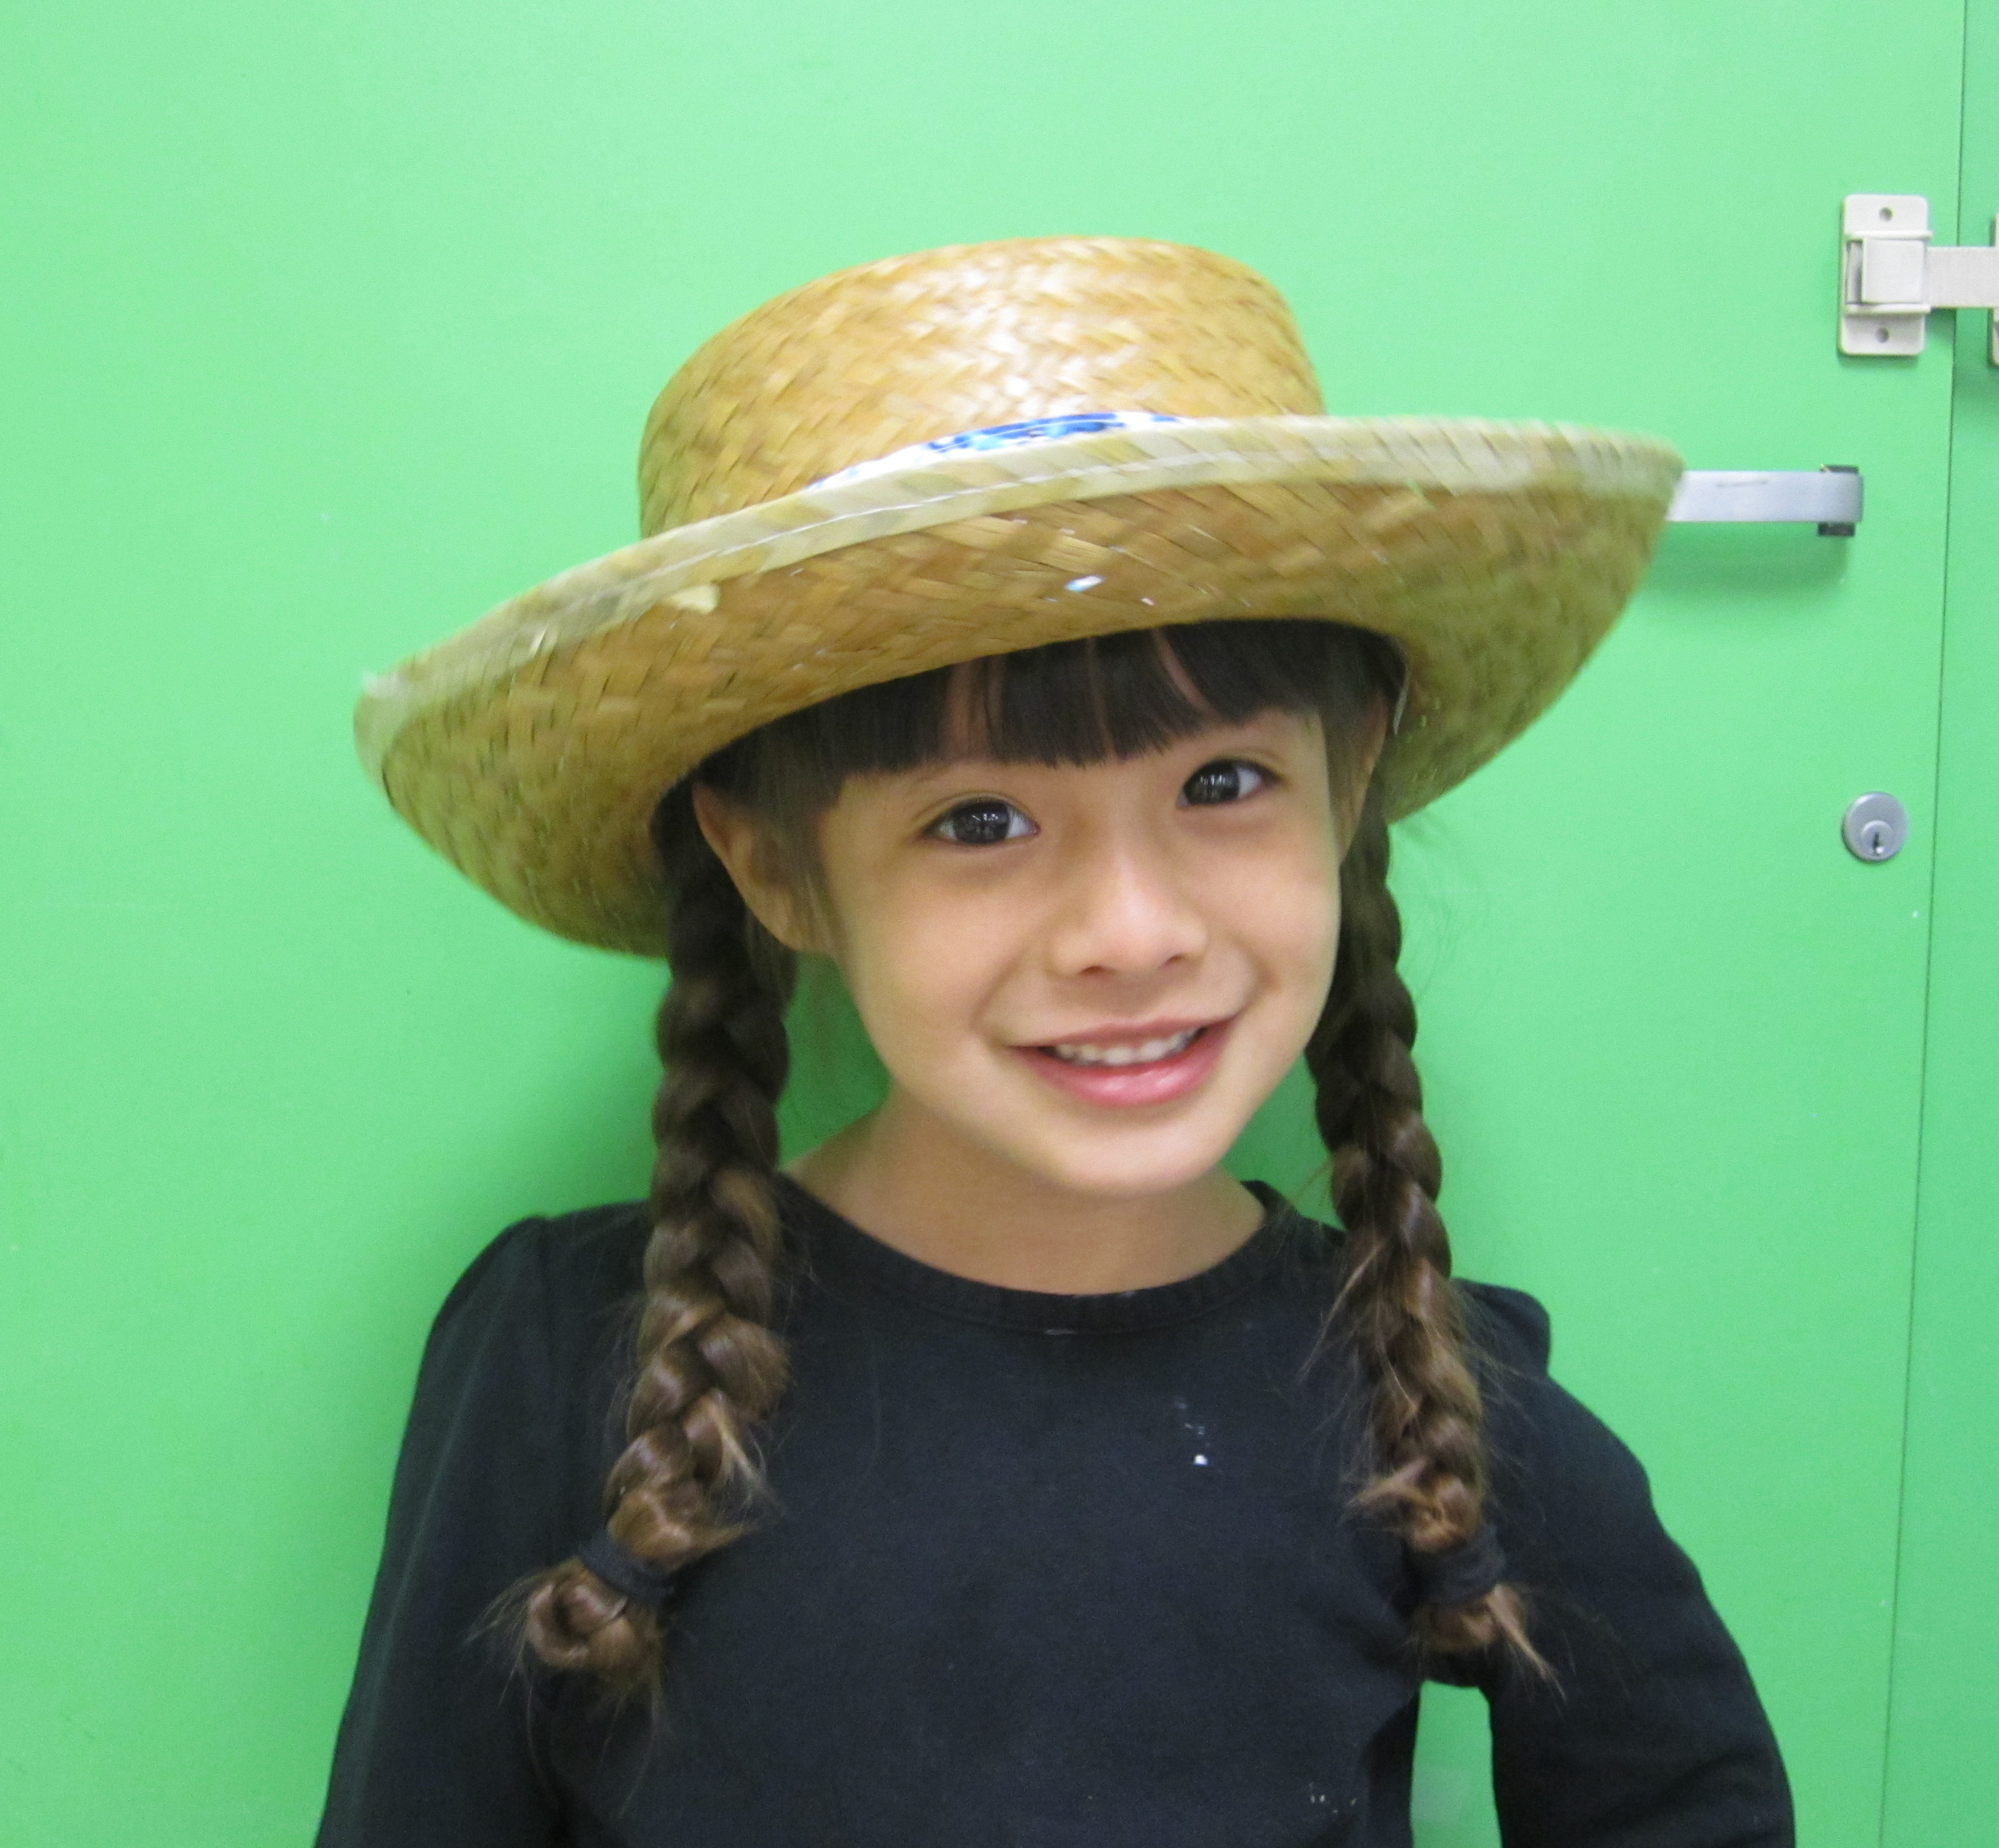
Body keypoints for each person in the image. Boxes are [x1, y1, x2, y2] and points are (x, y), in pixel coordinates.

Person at [319, 237, 1791, 1846]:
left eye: (1222, 784)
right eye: (981, 819)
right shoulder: (567, 1359)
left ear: (1350, 773)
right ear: (772, 866)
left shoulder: (1426, 1389)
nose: (1130, 932)